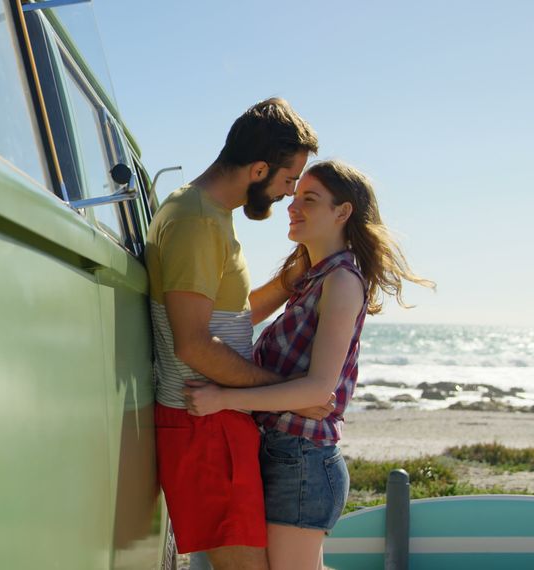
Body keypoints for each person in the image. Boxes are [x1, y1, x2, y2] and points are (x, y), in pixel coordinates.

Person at [183, 160, 435, 570]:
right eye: (295, 196)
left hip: (302, 461)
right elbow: (243, 315)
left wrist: (225, 398)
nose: (293, 206)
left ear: (343, 211)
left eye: (310, 200)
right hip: (286, 454)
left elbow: (319, 390)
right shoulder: (313, 278)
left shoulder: (341, 280)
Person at [145, 98, 329, 570]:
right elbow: (193, 342)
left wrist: (294, 278)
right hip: (203, 422)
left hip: (215, 419)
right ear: (260, 169)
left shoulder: (206, 213)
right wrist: (289, 394)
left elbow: (230, 315)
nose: (289, 195)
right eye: (288, 181)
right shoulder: (196, 221)